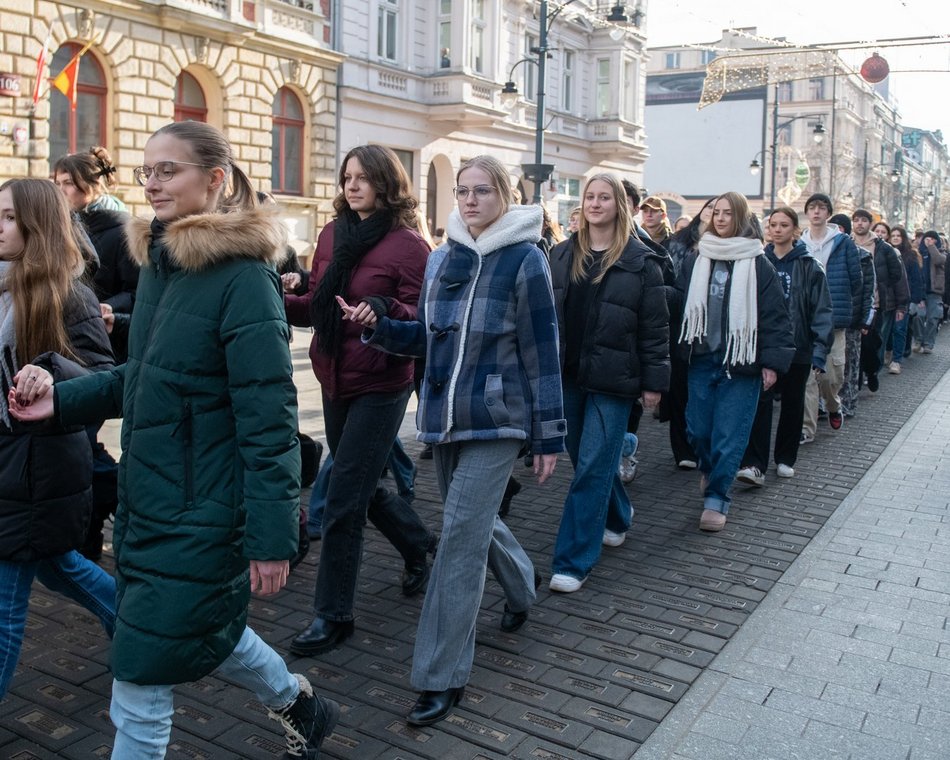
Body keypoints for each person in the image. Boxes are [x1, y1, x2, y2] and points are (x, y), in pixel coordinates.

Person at [10, 122, 338, 758]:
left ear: (214, 181)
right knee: (195, 627)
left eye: (170, 170)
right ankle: (299, 703)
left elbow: (269, 418)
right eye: (147, 170)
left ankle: (296, 703)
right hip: (150, 500)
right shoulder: (163, 262)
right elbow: (145, 379)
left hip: (204, 512)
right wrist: (61, 398)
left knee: (139, 677)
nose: (152, 183)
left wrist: (272, 537)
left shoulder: (244, 279)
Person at [345, 155, 565, 726]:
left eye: (482, 191)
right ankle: (521, 589)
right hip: (444, 417)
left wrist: (548, 436)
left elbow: (544, 353)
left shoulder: (525, 260)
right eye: (463, 191)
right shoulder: (442, 256)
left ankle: (440, 677)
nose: (469, 201)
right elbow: (425, 337)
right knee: (477, 521)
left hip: (499, 420)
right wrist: (377, 326)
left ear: (506, 196)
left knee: (459, 541)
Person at [285, 145, 434, 658]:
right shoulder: (331, 234)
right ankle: (418, 547)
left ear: (386, 184)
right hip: (332, 374)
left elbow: (423, 317)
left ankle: (333, 614)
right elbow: (316, 306)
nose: (352, 186)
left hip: (381, 381)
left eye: (363, 178)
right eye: (347, 177)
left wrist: (383, 309)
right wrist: (272, 296)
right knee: (360, 484)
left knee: (345, 494)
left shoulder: (409, 245)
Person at [0, 178, 117, 698]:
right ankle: (135, 626)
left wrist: (49, 372)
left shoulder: (69, 293)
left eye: (7, 217)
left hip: (37, 469)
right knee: (58, 566)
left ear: (36, 224)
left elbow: (102, 376)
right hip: (9, 462)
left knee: (4, 608)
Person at [548, 173, 669, 591]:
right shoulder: (561, 255)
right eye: (590, 197)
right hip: (569, 377)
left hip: (616, 381)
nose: (596, 204)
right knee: (587, 461)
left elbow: (655, 329)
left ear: (619, 204)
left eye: (604, 197)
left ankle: (572, 560)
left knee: (593, 468)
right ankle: (618, 513)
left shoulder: (641, 261)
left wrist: (654, 383)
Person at [677, 191, 793, 531]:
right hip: (701, 359)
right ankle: (709, 469)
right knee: (699, 431)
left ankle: (717, 499)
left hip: (742, 364)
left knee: (730, 435)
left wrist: (772, 363)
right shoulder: (697, 259)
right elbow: (679, 304)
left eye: (728, 213)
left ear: (741, 218)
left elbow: (775, 317)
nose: (721, 218)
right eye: (717, 213)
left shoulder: (758, 263)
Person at [53, 147, 139, 561]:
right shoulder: (63, 223)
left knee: (78, 440)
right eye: (57, 183)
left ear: (92, 184)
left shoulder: (120, 226)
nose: (61, 190)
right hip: (64, 338)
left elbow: (138, 290)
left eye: (68, 183)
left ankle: (108, 505)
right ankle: (98, 512)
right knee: (81, 444)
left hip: (102, 343)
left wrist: (110, 308)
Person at [736, 206, 832, 485]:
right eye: (773, 225)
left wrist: (819, 351)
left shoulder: (809, 265)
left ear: (794, 230)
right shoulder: (756, 261)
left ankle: (786, 458)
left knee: (792, 404)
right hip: (763, 346)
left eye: (783, 225)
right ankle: (755, 464)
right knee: (761, 403)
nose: (777, 230)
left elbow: (821, 310)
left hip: (798, 347)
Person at [799, 194, 867, 443]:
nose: (816, 212)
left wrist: (842, 302)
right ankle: (807, 428)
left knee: (831, 374)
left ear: (828, 213)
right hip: (806, 315)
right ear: (807, 213)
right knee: (807, 377)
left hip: (835, 317)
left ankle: (833, 404)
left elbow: (856, 279)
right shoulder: (800, 242)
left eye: (821, 208)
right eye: (812, 208)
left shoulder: (842, 242)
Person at [662, 198, 715, 470]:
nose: (714, 214)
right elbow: (664, 279)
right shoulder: (677, 243)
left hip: (711, 329)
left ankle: (703, 443)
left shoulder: (726, 248)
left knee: (703, 391)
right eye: (710, 208)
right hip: (677, 323)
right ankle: (682, 449)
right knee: (680, 388)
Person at [852, 211, 908, 390]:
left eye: (864, 220)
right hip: (852, 304)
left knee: (871, 344)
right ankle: (857, 379)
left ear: (870, 223)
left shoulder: (883, 247)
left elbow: (896, 274)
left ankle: (871, 370)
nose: (860, 224)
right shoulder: (846, 243)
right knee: (854, 346)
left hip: (874, 306)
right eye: (856, 220)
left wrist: (882, 288)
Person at [890, 226, 924, 368]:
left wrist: (917, 299)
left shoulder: (910, 256)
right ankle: (888, 353)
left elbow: (916, 279)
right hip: (888, 298)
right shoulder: (886, 252)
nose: (896, 238)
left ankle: (896, 359)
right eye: (893, 235)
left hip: (903, 298)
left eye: (899, 235)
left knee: (899, 329)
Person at [914, 230, 946, 354]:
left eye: (933, 239)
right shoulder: (918, 253)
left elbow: (939, 261)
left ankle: (928, 343)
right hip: (920, 291)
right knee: (918, 315)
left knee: (933, 318)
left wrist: (932, 247)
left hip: (934, 291)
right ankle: (918, 340)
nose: (929, 241)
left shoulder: (942, 254)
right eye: (927, 239)